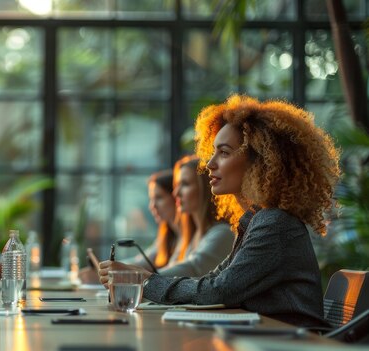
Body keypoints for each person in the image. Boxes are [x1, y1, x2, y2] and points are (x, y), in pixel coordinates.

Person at [99, 95, 339, 327]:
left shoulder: (274, 224)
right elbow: (213, 282)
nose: (209, 163)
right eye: (213, 152)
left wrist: (145, 280)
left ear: (260, 162)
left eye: (224, 152)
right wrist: (144, 278)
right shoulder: (257, 220)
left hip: (288, 345)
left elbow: (218, 291)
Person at [157, 155, 234, 277]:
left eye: (185, 184)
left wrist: (137, 276)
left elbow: (192, 269)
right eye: (176, 185)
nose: (176, 193)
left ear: (205, 188)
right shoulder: (191, 234)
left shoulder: (223, 233)